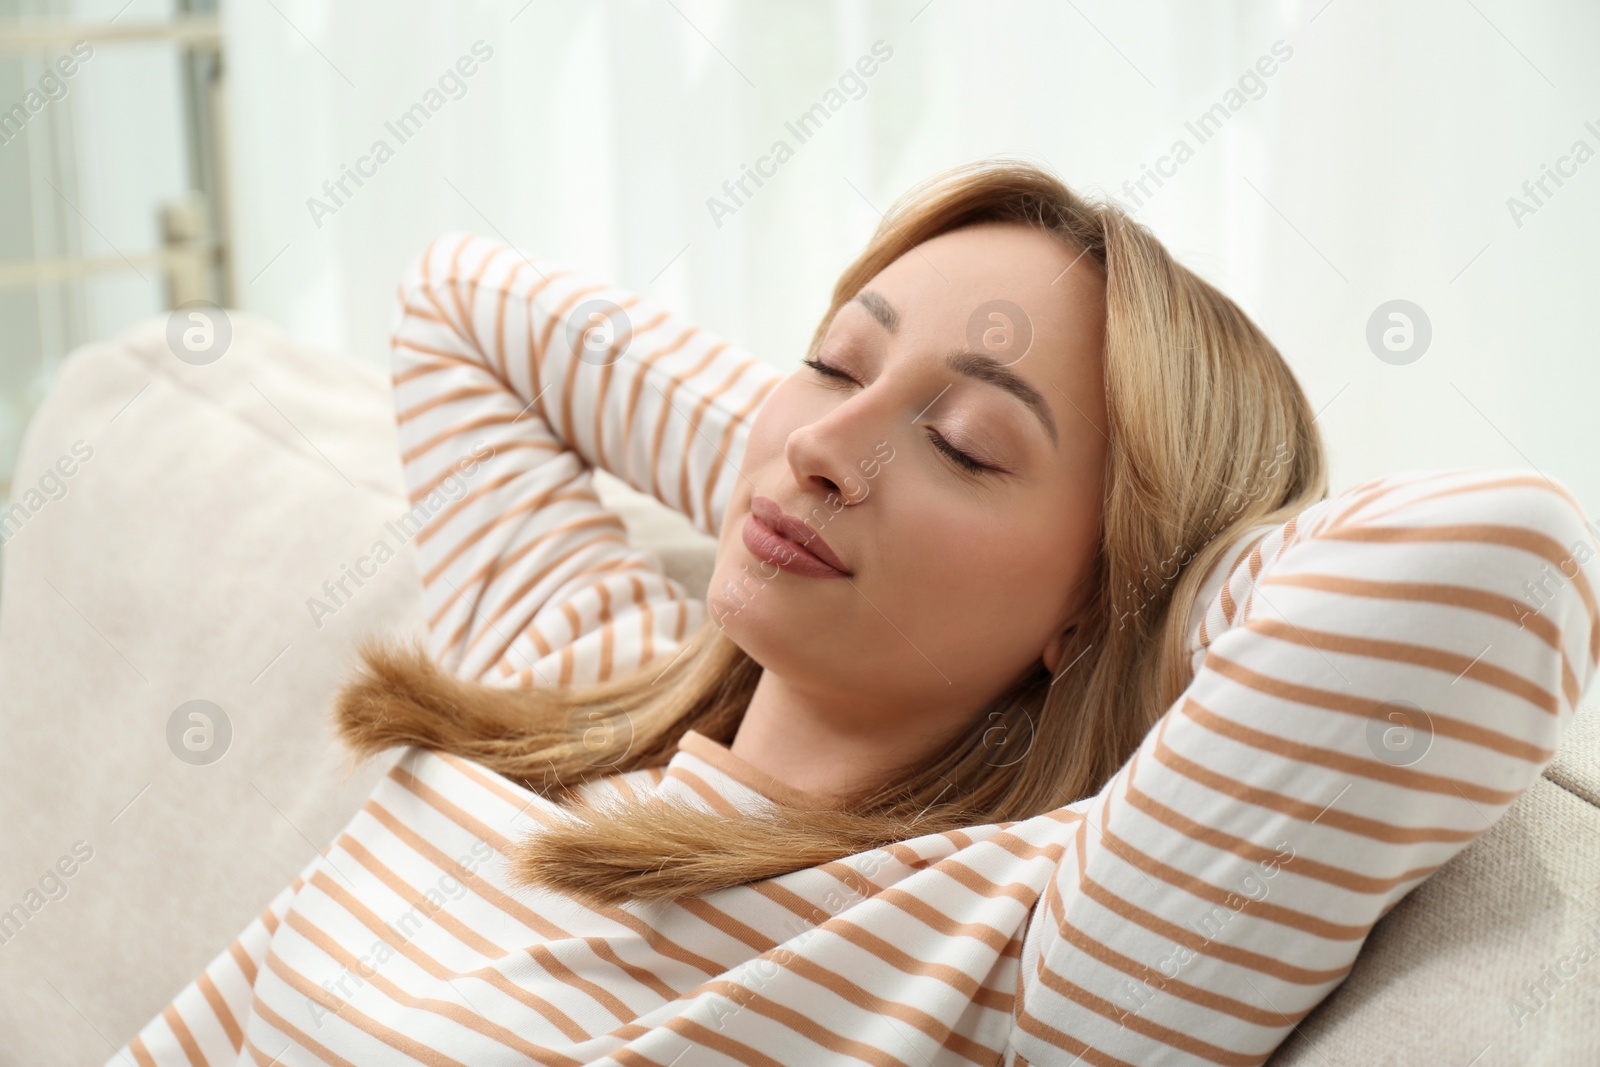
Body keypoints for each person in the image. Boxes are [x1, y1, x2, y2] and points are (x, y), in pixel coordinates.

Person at [111, 159, 1599, 1066]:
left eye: (968, 445)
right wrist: (803, 465)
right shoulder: (572, 664)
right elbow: (462, 308)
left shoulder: (1028, 952)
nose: (834, 438)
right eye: (832, 360)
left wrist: (1146, 592)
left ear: (1095, 604)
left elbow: (1498, 568)